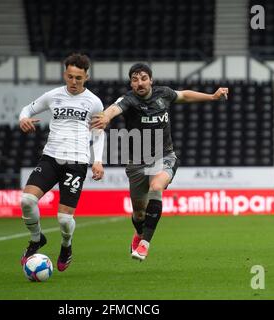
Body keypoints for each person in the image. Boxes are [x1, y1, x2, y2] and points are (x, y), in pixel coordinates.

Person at [91, 63, 228, 261]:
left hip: (165, 156)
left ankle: (145, 244)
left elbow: (185, 95)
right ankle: (139, 234)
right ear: (131, 82)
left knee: (156, 186)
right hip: (137, 161)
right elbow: (113, 109)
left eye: (144, 78)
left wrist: (212, 96)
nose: (140, 83)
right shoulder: (128, 99)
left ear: (151, 80)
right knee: (139, 213)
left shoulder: (163, 94)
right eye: (135, 79)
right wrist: (105, 117)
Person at [19, 53, 105, 271]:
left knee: (64, 220)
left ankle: (66, 246)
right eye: (70, 76)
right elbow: (27, 109)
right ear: (64, 74)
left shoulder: (94, 102)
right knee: (27, 200)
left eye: (78, 77)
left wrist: (98, 161)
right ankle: (37, 239)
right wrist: (23, 119)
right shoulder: (53, 95)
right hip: (50, 158)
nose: (73, 82)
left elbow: (99, 133)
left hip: (76, 162)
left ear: (87, 76)